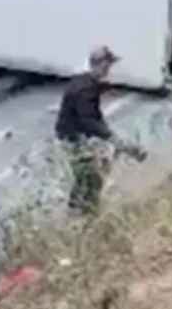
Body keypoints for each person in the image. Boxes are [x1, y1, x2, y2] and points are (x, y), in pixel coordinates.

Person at [54, 45, 145, 215]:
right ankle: (85, 211)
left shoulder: (83, 81)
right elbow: (89, 120)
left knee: (87, 173)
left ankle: (78, 208)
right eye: (107, 65)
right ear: (99, 64)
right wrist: (112, 138)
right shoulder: (86, 88)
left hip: (72, 133)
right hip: (73, 137)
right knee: (90, 175)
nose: (109, 69)